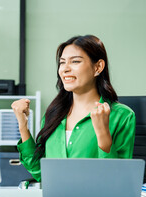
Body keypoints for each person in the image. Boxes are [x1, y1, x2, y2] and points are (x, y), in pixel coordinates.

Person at [11, 35, 135, 182]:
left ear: (98, 67)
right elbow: (41, 174)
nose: (65, 69)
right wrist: (23, 126)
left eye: (75, 61)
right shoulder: (54, 114)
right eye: (62, 63)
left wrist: (103, 133)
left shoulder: (122, 116)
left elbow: (117, 180)